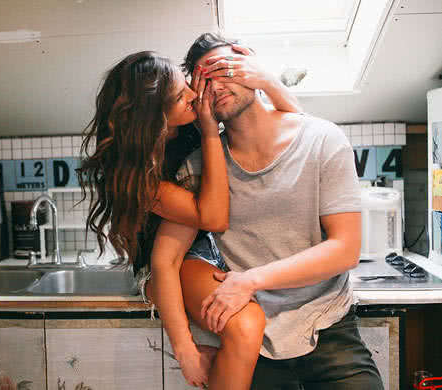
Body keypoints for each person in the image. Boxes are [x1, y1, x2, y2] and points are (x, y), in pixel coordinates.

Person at [153, 32, 384, 389]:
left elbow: (345, 248)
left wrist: (250, 280)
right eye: (204, 80)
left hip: (328, 326)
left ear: (251, 65)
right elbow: (165, 261)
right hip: (254, 337)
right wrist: (184, 347)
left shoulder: (323, 139)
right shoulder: (199, 167)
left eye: (225, 68)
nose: (216, 85)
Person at [78, 50, 300, 388]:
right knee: (244, 323)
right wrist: (186, 351)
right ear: (155, 116)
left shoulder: (187, 127)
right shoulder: (138, 175)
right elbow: (208, 220)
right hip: (164, 266)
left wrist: (267, 82)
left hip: (204, 250)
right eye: (182, 96)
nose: (194, 96)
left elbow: (298, 127)